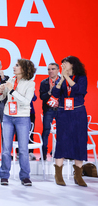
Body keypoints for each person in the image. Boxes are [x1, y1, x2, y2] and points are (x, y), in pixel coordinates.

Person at [0, 59, 36, 186]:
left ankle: (25, 176)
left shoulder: (30, 84)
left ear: (24, 69)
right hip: (8, 116)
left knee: (23, 149)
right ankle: (4, 175)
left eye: (17, 65)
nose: (14, 67)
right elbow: (1, 98)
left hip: (23, 118)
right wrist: (1, 91)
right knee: (6, 149)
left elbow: (26, 101)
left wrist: (12, 91)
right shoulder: (11, 80)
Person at [52, 56, 88, 187]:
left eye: (65, 63)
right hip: (63, 113)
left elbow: (80, 90)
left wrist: (67, 77)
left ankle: (78, 175)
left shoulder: (81, 77)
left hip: (78, 113)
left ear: (72, 65)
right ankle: (58, 174)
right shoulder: (61, 78)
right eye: (62, 64)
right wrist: (61, 79)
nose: (63, 65)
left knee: (80, 141)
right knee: (62, 141)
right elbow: (55, 93)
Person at [39, 63, 60, 161]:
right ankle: (43, 154)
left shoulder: (63, 81)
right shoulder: (44, 83)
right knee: (46, 131)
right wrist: (49, 92)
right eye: (49, 69)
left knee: (62, 131)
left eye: (53, 69)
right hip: (49, 110)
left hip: (61, 110)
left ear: (58, 70)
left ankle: (58, 152)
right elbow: (42, 97)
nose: (50, 71)